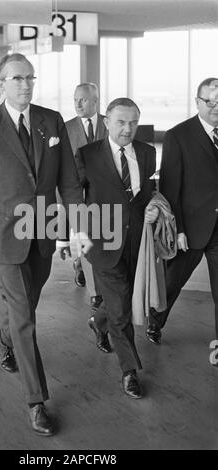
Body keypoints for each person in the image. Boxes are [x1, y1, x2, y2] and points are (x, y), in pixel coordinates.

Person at [0, 53, 91, 436]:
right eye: (17, 78)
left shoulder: (51, 121)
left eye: (30, 78)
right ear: (0, 83)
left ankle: (3, 337)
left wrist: (78, 227)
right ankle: (36, 401)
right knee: (26, 317)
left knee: (27, 305)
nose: (25, 85)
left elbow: (68, 181)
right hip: (5, 234)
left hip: (45, 231)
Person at [74, 98, 157, 398]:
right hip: (103, 241)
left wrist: (153, 208)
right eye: (121, 122)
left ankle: (98, 321)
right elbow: (75, 196)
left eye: (133, 122)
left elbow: (148, 193)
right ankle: (129, 371)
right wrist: (77, 233)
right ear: (106, 121)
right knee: (121, 309)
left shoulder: (147, 153)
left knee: (123, 297)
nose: (128, 128)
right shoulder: (87, 154)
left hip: (138, 241)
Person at [147, 77, 218, 356]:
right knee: (171, 282)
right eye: (209, 101)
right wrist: (177, 229)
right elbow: (170, 187)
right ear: (197, 102)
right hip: (189, 228)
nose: (215, 107)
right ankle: (155, 322)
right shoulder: (179, 135)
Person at [65, 83, 107, 312]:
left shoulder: (108, 123)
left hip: (103, 193)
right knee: (84, 235)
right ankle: (94, 291)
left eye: (82, 99)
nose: (78, 104)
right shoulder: (66, 128)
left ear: (95, 101)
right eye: (75, 100)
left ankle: (81, 266)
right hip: (77, 193)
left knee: (97, 239)